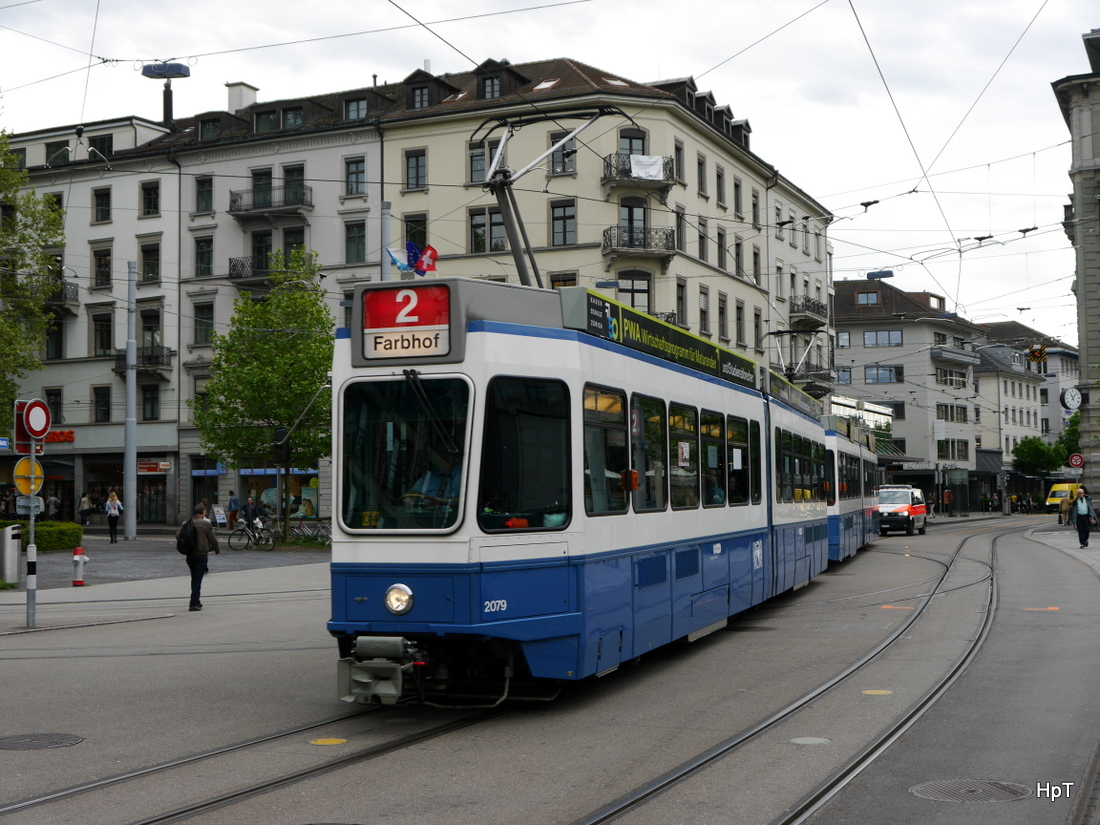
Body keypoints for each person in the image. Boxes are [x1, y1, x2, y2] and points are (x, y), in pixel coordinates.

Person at [179, 503, 221, 612]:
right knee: (198, 579)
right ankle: (193, 603)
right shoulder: (205, 524)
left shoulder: (186, 523)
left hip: (190, 554)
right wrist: (216, 549)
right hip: (201, 555)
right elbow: (212, 539)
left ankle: (197, 601)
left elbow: (178, 535)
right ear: (202, 513)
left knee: (194, 578)